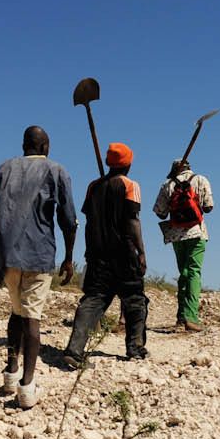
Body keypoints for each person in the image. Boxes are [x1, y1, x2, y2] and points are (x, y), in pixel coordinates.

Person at [0, 126, 77, 409]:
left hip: (8, 257)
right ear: (46, 146)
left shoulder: (3, 169)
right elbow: (68, 219)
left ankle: (10, 373)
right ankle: (26, 386)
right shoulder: (56, 170)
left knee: (16, 313)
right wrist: (69, 257)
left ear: (24, 145)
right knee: (32, 318)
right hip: (38, 255)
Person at [64, 143, 149, 367]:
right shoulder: (130, 185)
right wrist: (141, 252)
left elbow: (90, 220)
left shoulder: (94, 186)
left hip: (97, 253)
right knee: (134, 299)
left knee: (92, 300)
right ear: (128, 164)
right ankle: (135, 348)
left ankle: (74, 350)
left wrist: (90, 250)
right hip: (124, 253)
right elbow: (133, 221)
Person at [153, 160, 215, 332]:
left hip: (176, 234)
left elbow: (160, 212)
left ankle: (181, 317)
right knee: (194, 272)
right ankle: (191, 317)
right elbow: (209, 207)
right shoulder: (201, 179)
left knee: (184, 272)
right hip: (197, 232)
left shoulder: (167, 184)